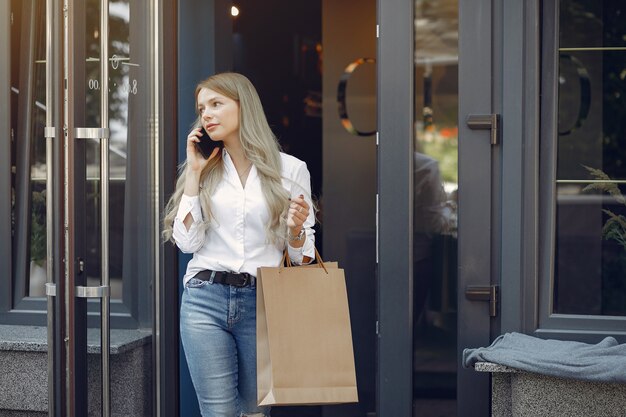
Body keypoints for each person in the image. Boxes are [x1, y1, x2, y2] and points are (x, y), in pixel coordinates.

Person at [162, 72, 316, 417]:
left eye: (216, 104)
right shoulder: (205, 170)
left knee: (254, 412)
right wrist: (193, 176)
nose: (206, 114)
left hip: (263, 303)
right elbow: (187, 244)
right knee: (219, 413)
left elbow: (302, 257)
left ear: (243, 106)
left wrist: (294, 230)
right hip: (205, 298)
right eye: (202, 108)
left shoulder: (290, 170)